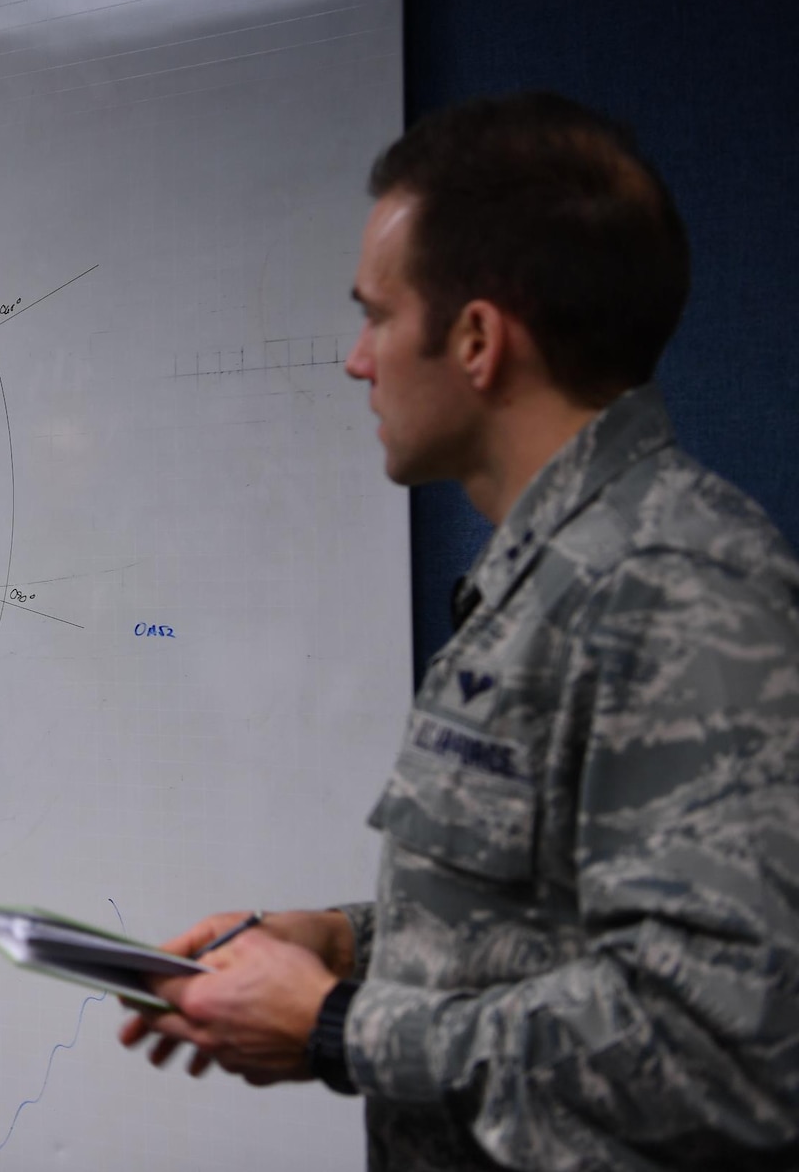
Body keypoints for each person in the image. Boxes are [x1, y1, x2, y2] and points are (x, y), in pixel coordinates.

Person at [120, 94, 799, 1169]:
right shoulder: (550, 574)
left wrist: (340, 1026)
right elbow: (547, 928)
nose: (356, 360)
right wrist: (346, 944)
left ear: (476, 339)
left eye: (376, 316)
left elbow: (722, 1044)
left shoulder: (670, 583)